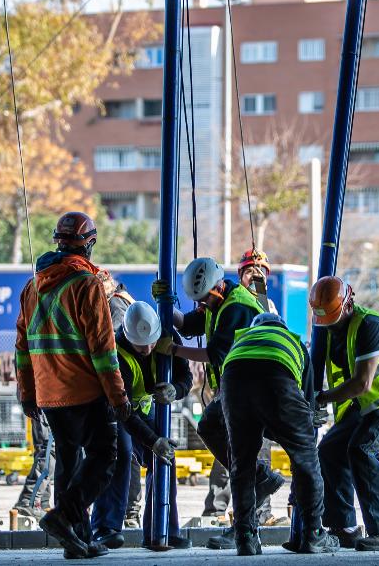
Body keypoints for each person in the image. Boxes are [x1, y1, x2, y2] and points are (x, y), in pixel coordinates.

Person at [15, 211, 133, 559]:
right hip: (84, 391)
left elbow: (22, 347)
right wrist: (117, 395)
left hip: (49, 395)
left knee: (68, 461)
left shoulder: (32, 286)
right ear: (89, 244)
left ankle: (77, 541)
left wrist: (27, 392)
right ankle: (64, 517)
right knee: (103, 456)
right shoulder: (87, 284)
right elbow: (102, 349)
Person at [154, 257, 284, 549]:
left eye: (203, 300)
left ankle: (245, 524)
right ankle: (257, 490)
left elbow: (216, 353)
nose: (200, 306)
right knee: (215, 431)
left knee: (236, 451)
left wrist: (174, 350)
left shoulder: (236, 306)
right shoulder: (218, 303)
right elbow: (188, 324)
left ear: (215, 290)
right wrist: (165, 303)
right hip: (239, 384)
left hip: (254, 384)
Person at [220, 311, 341, 555]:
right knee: (306, 457)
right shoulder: (292, 340)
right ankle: (314, 534)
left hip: (233, 377)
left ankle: (245, 536)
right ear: (281, 326)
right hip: (277, 374)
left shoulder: (243, 339)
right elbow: (306, 405)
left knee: (241, 463)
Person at [309, 276, 379, 551]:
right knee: (329, 450)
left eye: (333, 319)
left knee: (362, 449)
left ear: (348, 304)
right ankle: (344, 527)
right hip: (366, 405)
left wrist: (323, 398)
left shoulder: (370, 326)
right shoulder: (331, 331)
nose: (330, 326)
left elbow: (362, 382)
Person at [91, 301, 191, 549]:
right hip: (116, 412)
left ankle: (162, 527)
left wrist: (175, 390)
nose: (147, 348)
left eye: (151, 342)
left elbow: (185, 377)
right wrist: (152, 440)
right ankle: (106, 527)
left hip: (141, 412)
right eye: (140, 344)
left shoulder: (166, 337)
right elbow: (123, 411)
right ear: (127, 335)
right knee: (120, 454)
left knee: (165, 456)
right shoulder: (116, 353)